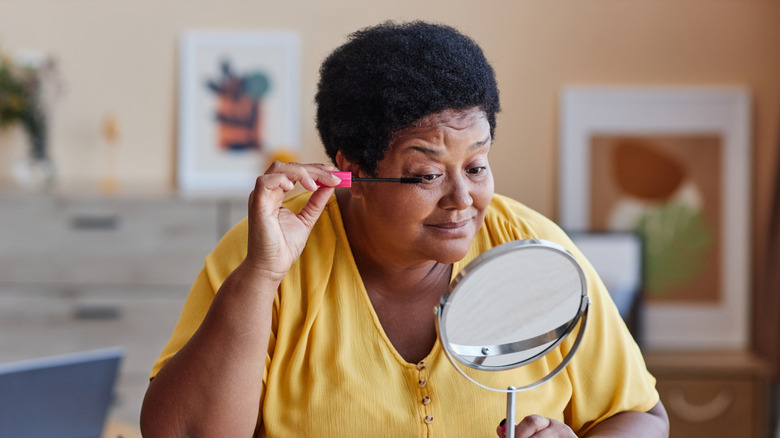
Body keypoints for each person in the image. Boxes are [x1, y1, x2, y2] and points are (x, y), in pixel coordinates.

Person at [141, 21, 669, 437]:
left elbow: (642, 417)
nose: (463, 199)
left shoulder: (533, 250)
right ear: (354, 173)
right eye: (427, 174)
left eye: (478, 165)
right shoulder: (271, 253)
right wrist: (259, 278)